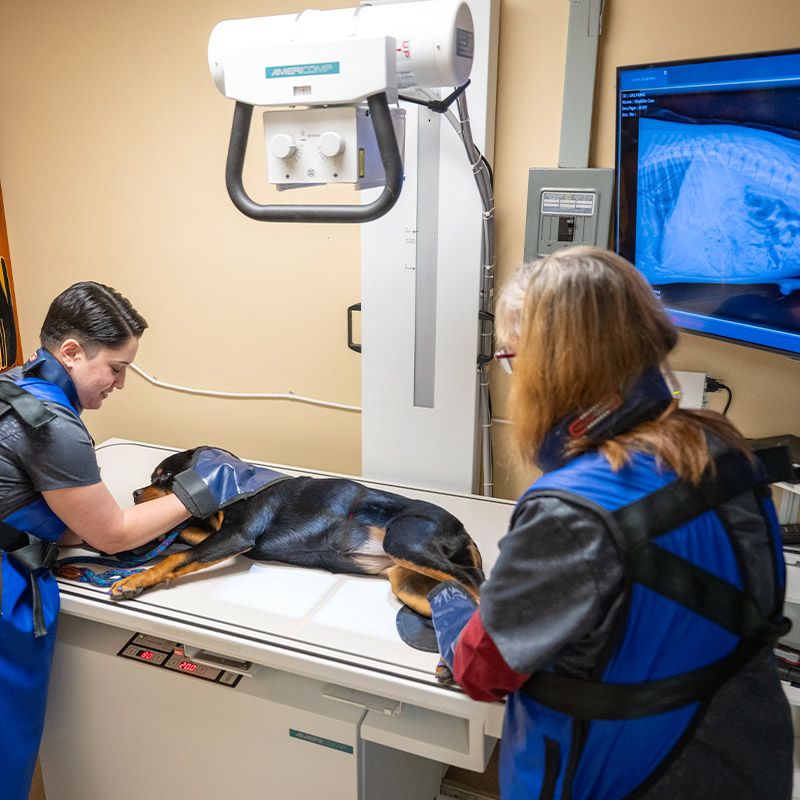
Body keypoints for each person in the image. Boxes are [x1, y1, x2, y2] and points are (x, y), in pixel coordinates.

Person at [428, 246, 793, 800]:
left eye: (510, 357)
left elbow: (484, 672)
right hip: (743, 755)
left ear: (545, 368)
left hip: (625, 774)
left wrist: (448, 603)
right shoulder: (723, 449)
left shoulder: (570, 511)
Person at [0, 281, 193, 800]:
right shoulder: (51, 424)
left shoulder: (13, 381)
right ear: (71, 352)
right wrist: (201, 493)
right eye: (116, 367)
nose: (120, 383)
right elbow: (111, 535)